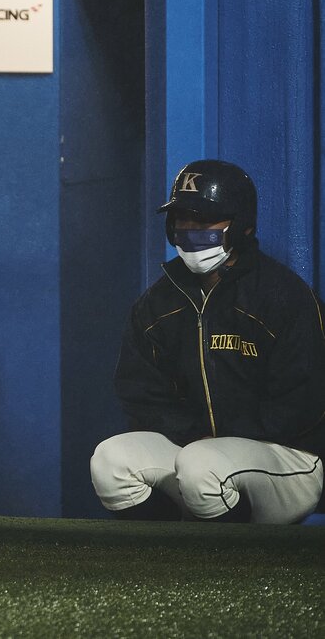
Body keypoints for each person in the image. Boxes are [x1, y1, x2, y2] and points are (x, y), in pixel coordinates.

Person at [90, 159, 325, 523]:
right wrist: (193, 434)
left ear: (244, 226)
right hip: (196, 453)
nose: (191, 231)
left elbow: (303, 403)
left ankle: (237, 555)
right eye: (182, 219)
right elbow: (140, 393)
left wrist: (221, 438)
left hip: (288, 458)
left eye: (205, 221)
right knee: (111, 461)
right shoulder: (156, 304)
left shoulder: (283, 296)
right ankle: (168, 550)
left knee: (202, 466)